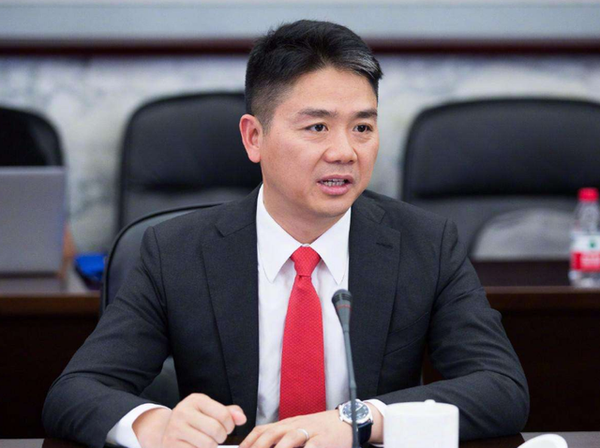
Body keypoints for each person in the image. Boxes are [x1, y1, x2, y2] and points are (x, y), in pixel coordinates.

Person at [43, 20, 529, 448]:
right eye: (317, 127)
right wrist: (157, 425)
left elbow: (501, 387)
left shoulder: (425, 244)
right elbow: (75, 392)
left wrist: (359, 420)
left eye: (362, 128)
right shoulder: (177, 252)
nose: (345, 152)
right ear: (254, 137)